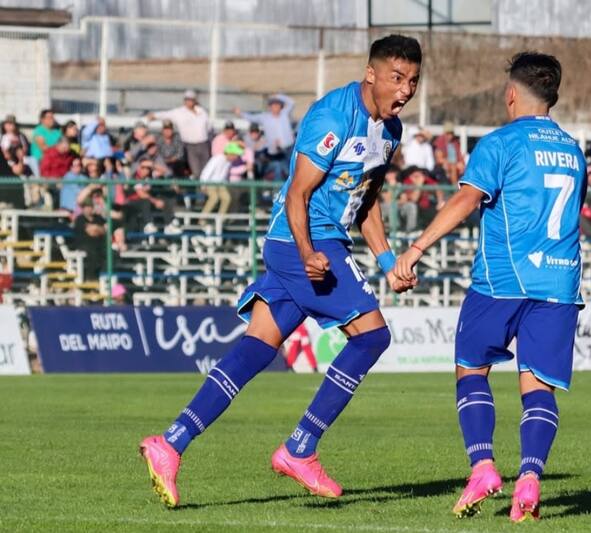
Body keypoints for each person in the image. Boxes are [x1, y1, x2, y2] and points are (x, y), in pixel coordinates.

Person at [138, 34, 422, 508]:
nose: (406, 89)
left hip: (317, 242)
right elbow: (298, 194)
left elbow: (366, 196)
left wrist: (389, 261)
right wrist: (309, 252)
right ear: (370, 74)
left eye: (413, 80)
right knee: (373, 337)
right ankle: (300, 447)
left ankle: (170, 444)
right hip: (302, 242)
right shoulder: (333, 116)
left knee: (254, 351)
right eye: (397, 78)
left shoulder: (389, 130)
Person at [393, 51, 586, 523]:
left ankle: (482, 467)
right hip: (560, 281)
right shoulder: (574, 150)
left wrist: (415, 250)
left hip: (503, 279)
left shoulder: (500, 143)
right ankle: (530, 479)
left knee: (471, 370)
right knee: (538, 388)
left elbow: (466, 199)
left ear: (512, 94)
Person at [148, 89, 211, 178]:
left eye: (191, 99)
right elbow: (166, 114)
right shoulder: (179, 112)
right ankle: (199, 189)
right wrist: (154, 116)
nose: (189, 101)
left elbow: (209, 126)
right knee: (196, 171)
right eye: (187, 99)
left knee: (206, 170)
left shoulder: (202, 111)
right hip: (190, 145)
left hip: (203, 144)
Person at [235, 94, 295, 180]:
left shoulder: (284, 114)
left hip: (289, 148)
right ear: (270, 107)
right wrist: (240, 113)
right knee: (279, 169)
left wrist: (279, 96)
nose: (275, 107)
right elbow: (251, 118)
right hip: (275, 151)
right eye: (273, 105)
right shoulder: (265, 117)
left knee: (292, 170)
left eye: (277, 105)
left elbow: (291, 102)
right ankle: (277, 190)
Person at [198, 141, 243, 215]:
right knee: (214, 198)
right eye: (236, 155)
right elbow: (206, 172)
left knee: (227, 199)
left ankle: (220, 220)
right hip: (210, 183)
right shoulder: (217, 159)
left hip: (220, 185)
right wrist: (203, 185)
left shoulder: (229, 162)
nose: (237, 157)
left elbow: (224, 176)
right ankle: (202, 219)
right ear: (231, 153)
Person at [72, 198, 107, 279]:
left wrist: (96, 228)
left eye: (90, 206)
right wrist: (98, 229)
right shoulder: (80, 219)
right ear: (83, 208)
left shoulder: (98, 218)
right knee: (93, 253)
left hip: (98, 244)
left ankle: (104, 277)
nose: (89, 209)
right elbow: (91, 231)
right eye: (86, 207)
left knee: (109, 252)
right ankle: (91, 278)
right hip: (84, 245)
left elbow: (104, 230)